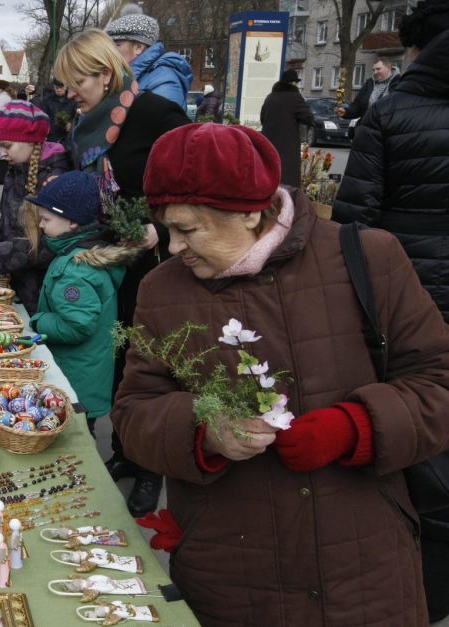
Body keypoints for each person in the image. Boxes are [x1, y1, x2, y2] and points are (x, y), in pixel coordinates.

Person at [111, 122, 449, 624]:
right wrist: (205, 431)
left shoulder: (369, 258)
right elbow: (135, 411)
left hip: (363, 566)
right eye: (167, 229)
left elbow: (437, 383)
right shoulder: (164, 291)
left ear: (250, 211)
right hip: (232, 572)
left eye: (189, 229)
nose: (175, 247)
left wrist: (354, 428)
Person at [332, 8, 449, 620]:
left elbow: (356, 220)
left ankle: (417, 584)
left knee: (415, 426)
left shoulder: (394, 108)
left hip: (409, 292)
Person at [54, 27, 189, 516]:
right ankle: (126, 453)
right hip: (113, 257)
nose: (70, 95)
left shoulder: (157, 114)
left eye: (77, 83)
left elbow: (188, 183)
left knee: (149, 363)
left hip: (157, 258)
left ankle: (151, 467)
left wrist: (158, 227)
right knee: (117, 358)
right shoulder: (89, 125)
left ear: (106, 73)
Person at [27, 171, 139, 435]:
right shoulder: (82, 253)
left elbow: (76, 325)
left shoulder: (74, 270)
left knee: (75, 437)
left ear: (73, 223)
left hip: (76, 376)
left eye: (46, 219)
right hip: (89, 371)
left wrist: (38, 320)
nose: (41, 226)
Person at [0, 101, 72, 314]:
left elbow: (54, 243)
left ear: (31, 141)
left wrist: (1, 255)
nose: (1, 153)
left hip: (43, 288)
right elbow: (9, 223)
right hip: (19, 280)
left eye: (7, 146)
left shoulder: (55, 179)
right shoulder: (17, 169)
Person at [104, 4, 193, 109]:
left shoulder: (165, 79)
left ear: (138, 47)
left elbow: (161, 123)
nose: (110, 51)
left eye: (116, 45)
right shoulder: (124, 76)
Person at [260, 69, 314, 188]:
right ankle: (286, 203)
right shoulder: (295, 97)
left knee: (270, 174)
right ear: (293, 83)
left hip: (268, 144)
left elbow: (262, 118)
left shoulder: (270, 97)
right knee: (287, 181)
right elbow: (308, 118)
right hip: (287, 146)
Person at [335, 58, 400, 119]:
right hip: (367, 127)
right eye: (373, 70)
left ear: (389, 68)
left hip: (388, 128)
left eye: (378, 69)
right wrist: (346, 112)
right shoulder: (369, 83)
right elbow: (357, 106)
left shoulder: (399, 83)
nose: (375, 72)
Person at [37, 80, 77, 145]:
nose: (59, 90)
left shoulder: (72, 100)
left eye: (61, 87)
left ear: (65, 87)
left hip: (67, 136)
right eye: (57, 88)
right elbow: (41, 116)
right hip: (52, 136)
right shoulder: (47, 100)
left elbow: (76, 116)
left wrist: (71, 124)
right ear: (54, 87)